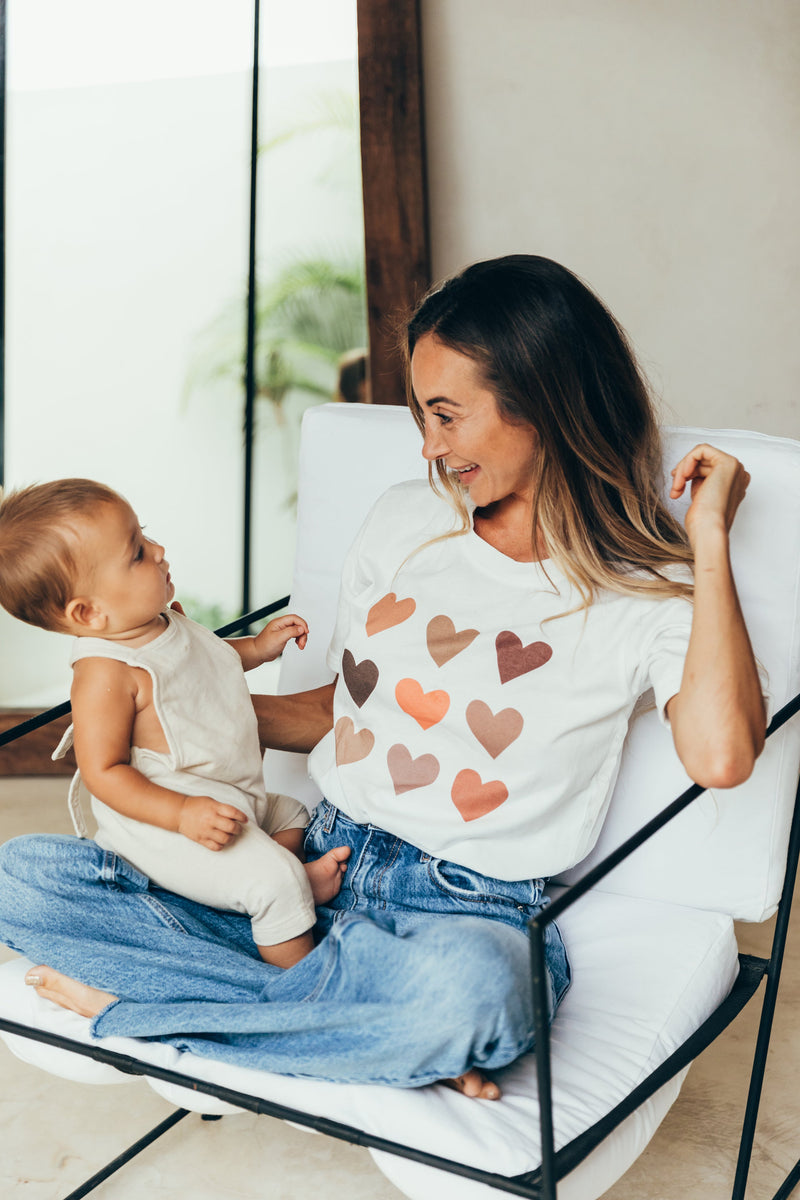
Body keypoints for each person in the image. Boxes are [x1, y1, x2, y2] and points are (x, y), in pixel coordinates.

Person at [0, 255, 765, 1101]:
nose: (430, 447)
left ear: (544, 401)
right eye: (420, 415)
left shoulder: (647, 593)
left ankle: (151, 1012)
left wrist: (709, 541)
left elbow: (723, 758)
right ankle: (325, 1017)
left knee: (471, 1001)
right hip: (304, 862)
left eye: (446, 415)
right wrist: (162, 725)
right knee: (24, 880)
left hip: (461, 910)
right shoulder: (405, 518)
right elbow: (344, 711)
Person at [0, 480, 350, 969]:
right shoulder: (106, 671)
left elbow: (208, 659)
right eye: (137, 553)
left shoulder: (159, 621)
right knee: (274, 886)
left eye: (145, 535)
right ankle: (300, 983)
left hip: (228, 792)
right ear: (89, 612)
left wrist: (260, 647)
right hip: (168, 824)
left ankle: (278, 884)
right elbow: (104, 773)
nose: (159, 550)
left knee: (291, 813)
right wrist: (181, 813)